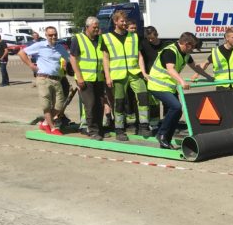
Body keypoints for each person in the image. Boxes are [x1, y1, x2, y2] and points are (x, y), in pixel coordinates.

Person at [146, 32, 213, 149]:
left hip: (168, 87)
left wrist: (208, 77)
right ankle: (161, 134)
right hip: (156, 85)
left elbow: (195, 67)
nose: (193, 50)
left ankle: (166, 139)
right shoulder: (170, 51)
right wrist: (182, 81)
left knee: (178, 111)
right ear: (187, 44)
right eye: (192, 47)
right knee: (176, 107)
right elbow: (171, 69)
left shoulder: (185, 54)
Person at [101, 10, 150, 140]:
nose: (124, 23)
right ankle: (119, 130)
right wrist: (108, 76)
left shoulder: (134, 37)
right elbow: (105, 59)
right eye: (121, 21)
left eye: (125, 21)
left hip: (134, 73)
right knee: (119, 103)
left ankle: (144, 126)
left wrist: (143, 72)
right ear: (115, 22)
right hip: (118, 75)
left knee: (143, 97)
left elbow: (139, 56)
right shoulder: (107, 38)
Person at [17, 26, 70, 135]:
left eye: (55, 34)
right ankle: (52, 127)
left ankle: (45, 122)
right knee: (46, 105)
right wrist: (31, 65)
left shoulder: (60, 47)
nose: (53, 36)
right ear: (46, 35)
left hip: (56, 79)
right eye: (50, 35)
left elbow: (70, 58)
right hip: (43, 78)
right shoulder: (40, 45)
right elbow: (21, 53)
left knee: (59, 105)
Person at [69, 16, 106, 140]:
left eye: (98, 27)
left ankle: (99, 129)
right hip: (85, 78)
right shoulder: (78, 39)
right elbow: (73, 59)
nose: (97, 29)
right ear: (87, 27)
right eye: (94, 27)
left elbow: (104, 57)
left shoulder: (100, 39)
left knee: (100, 104)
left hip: (98, 78)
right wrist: (79, 77)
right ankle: (93, 130)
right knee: (90, 104)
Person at [139, 25, 165, 133]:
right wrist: (144, 73)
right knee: (152, 101)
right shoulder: (144, 44)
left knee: (164, 100)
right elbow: (140, 58)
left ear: (157, 35)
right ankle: (153, 124)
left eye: (152, 38)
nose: (150, 40)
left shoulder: (163, 45)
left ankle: (163, 121)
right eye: (148, 38)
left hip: (162, 76)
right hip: (148, 75)